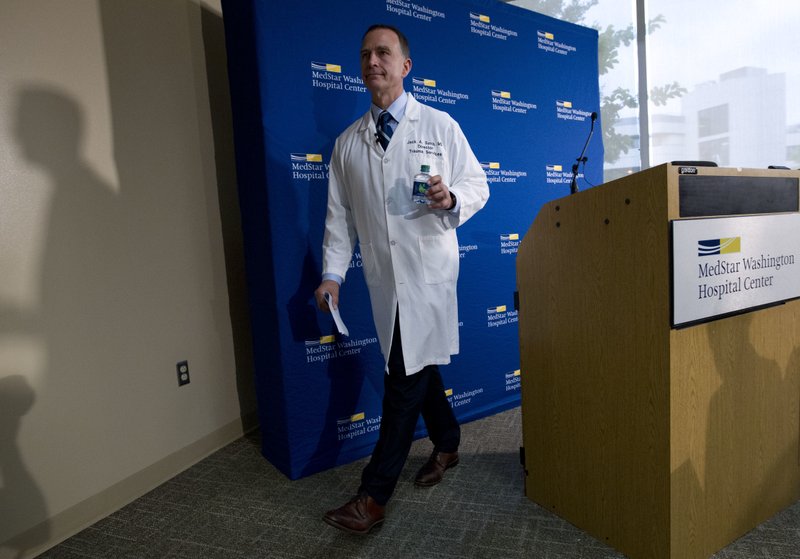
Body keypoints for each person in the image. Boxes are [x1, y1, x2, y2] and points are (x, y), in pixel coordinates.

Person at [314, 23, 489, 535]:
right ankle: (449, 443)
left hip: (430, 276)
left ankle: (373, 495)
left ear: (405, 66)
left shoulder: (439, 125)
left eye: (384, 53)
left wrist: (451, 199)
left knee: (402, 382)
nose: (373, 61)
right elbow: (338, 220)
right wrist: (331, 275)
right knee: (419, 366)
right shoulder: (348, 145)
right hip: (385, 284)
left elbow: (477, 184)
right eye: (366, 54)